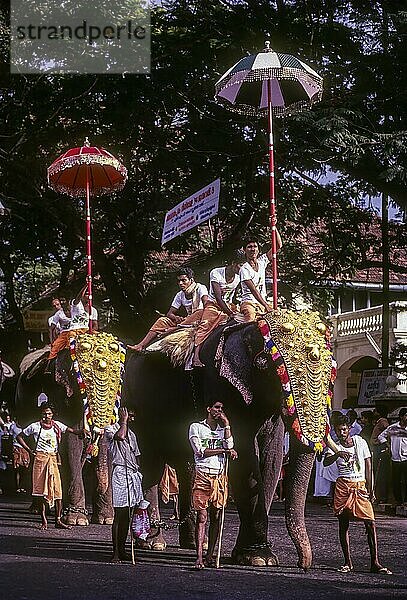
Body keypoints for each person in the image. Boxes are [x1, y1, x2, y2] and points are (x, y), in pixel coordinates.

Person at [323, 414, 391, 574]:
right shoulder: (333, 447)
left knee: (370, 523)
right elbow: (325, 462)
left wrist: (371, 489)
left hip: (360, 486)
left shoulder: (360, 443)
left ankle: (375, 562)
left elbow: (368, 466)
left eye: (344, 430)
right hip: (343, 487)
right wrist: (337, 454)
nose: (341, 433)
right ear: (335, 431)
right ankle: (347, 562)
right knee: (343, 525)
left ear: (349, 429)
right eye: (338, 430)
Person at [16, 403, 86, 530]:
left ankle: (58, 520)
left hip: (53, 459)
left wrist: (81, 431)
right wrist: (30, 450)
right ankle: (44, 521)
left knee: (57, 491)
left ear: (52, 414)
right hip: (40, 459)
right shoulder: (35, 426)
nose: (46, 416)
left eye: (49, 413)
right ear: (41, 414)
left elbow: (71, 430)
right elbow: (19, 436)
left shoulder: (57, 425)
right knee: (42, 492)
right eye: (44, 413)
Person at [189, 401, 238, 569]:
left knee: (217, 517)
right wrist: (224, 451)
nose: (219, 411)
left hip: (219, 476)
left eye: (222, 409)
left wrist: (227, 425)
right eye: (217, 407)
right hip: (202, 474)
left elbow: (231, 445)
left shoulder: (222, 430)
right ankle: (199, 558)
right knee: (202, 517)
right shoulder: (196, 427)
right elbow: (199, 451)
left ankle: (210, 555)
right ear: (208, 409)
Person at [128, 268, 208, 352]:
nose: (181, 283)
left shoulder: (200, 288)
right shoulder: (180, 295)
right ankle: (141, 345)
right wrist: (176, 318)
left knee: (198, 312)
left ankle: (174, 329)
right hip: (187, 320)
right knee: (162, 320)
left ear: (191, 280)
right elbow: (169, 313)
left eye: (184, 280)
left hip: (200, 317)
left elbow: (206, 304)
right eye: (179, 281)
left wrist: (192, 318)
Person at [104, 407, 147, 562]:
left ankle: (123, 550)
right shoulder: (111, 429)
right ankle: (115, 552)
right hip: (120, 473)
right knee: (119, 513)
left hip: (132, 473)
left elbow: (137, 456)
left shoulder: (133, 434)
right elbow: (120, 437)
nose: (132, 419)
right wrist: (123, 421)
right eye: (130, 416)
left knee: (128, 515)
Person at [193, 251, 244, 367]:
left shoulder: (238, 278)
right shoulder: (216, 272)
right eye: (240, 265)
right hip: (213, 304)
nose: (241, 269)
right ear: (233, 263)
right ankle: (195, 357)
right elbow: (218, 297)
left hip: (229, 305)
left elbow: (231, 297)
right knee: (205, 325)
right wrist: (230, 313)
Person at [239, 231, 282, 322]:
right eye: (249, 247)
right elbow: (253, 290)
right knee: (251, 320)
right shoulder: (244, 269)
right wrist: (266, 306)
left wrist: (274, 227)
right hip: (249, 303)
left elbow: (278, 245)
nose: (253, 249)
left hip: (262, 303)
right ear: (245, 250)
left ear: (258, 249)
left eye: (255, 246)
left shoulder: (262, 261)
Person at [48, 285, 90, 360]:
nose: (62, 302)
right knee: (55, 350)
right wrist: (52, 342)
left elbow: (94, 323)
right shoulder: (60, 313)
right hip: (69, 333)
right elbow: (51, 329)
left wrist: (87, 285)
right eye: (60, 301)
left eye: (63, 300)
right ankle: (49, 367)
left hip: (85, 331)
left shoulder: (86, 307)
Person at [378, 407, 407, 507]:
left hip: (406, 458)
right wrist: (387, 445)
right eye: (406, 416)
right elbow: (381, 436)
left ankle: (406, 501)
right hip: (395, 458)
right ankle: (398, 500)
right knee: (396, 480)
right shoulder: (393, 427)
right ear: (401, 417)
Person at [370, 405, 390, 503]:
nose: (374, 412)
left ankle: (381, 496)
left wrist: (385, 444)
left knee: (379, 471)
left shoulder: (383, 421)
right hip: (376, 447)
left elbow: (388, 430)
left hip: (380, 448)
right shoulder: (378, 422)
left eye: (376, 411)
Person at [10, 418, 30, 493]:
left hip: (24, 449)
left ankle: (22, 486)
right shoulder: (13, 426)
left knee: (24, 469)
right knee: (17, 468)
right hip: (16, 448)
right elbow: (10, 437)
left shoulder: (26, 427)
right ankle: (17, 486)